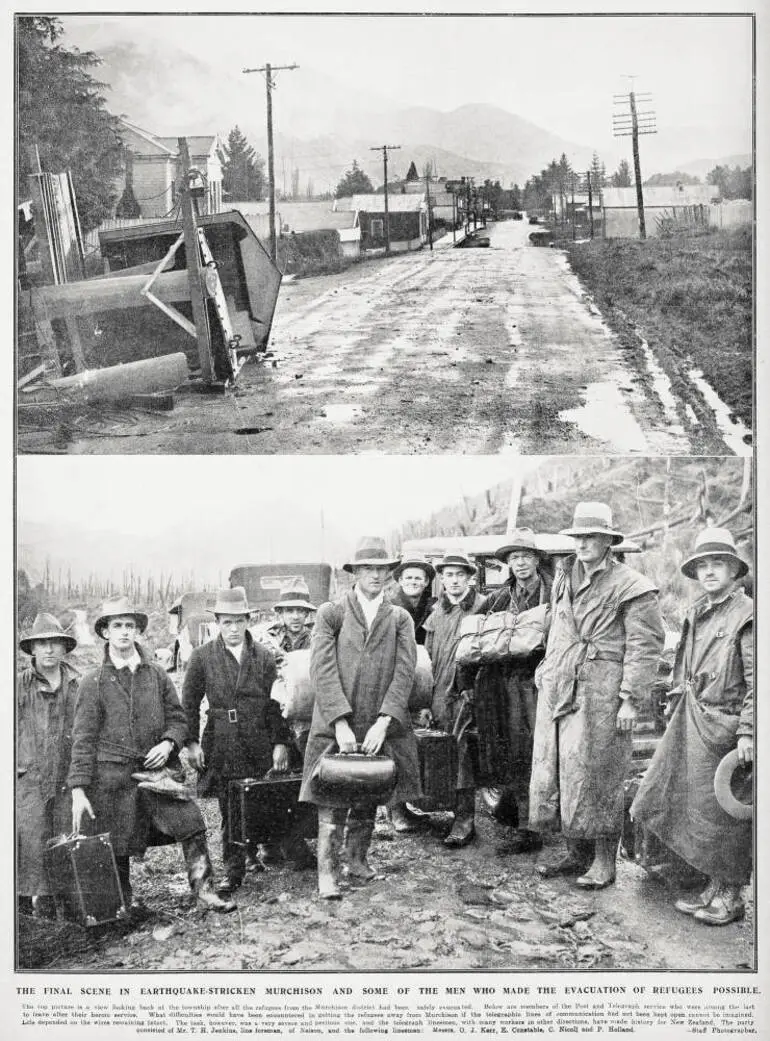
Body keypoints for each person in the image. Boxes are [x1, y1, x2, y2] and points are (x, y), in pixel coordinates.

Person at [529, 502, 664, 889]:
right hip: (559, 684)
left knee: (601, 771)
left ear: (608, 540)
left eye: (591, 536)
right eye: (578, 536)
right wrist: (545, 666)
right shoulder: (563, 576)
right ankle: (575, 853)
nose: (583, 543)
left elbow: (645, 647)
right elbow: (557, 627)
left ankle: (605, 862)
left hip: (601, 690)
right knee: (561, 769)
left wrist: (629, 699)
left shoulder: (633, 586)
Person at [68, 596, 234, 913]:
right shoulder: (93, 682)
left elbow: (178, 717)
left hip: (159, 774)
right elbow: (83, 738)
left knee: (192, 824)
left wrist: (169, 743)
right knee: (117, 842)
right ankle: (123, 905)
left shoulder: (156, 675)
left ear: (137, 632)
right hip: (115, 778)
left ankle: (205, 889)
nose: (124, 632)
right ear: (105, 632)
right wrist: (78, 788)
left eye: (129, 626)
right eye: (116, 626)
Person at [630, 527, 753, 925]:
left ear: (735, 570)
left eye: (718, 564)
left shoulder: (748, 614)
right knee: (693, 808)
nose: (710, 572)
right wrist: (672, 705)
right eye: (703, 565)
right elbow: (683, 666)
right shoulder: (697, 612)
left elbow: (759, 679)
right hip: (691, 719)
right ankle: (713, 888)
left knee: (724, 815)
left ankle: (731, 895)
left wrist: (749, 730)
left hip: (725, 727)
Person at [300, 536, 421, 899]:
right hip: (335, 719)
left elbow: (405, 671)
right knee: (330, 790)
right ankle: (328, 872)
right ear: (355, 573)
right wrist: (338, 721)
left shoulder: (400, 618)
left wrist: (385, 721)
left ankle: (357, 859)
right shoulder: (332, 613)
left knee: (371, 784)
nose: (376, 575)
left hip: (378, 721)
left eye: (383, 569)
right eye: (368, 568)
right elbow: (321, 668)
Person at [182, 587, 308, 895]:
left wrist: (280, 742)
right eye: (227, 622)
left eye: (239, 621)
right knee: (230, 807)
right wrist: (192, 742)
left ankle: (281, 849)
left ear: (247, 621)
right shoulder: (202, 657)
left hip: (259, 736)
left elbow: (275, 703)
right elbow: (188, 702)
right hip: (222, 740)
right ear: (218, 623)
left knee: (266, 796)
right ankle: (234, 869)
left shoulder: (263, 656)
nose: (234, 629)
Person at [470, 530, 553, 856]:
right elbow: (476, 640)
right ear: (508, 563)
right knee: (510, 753)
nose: (520, 562)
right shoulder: (499, 599)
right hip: (504, 688)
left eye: (525, 556)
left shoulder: (554, 595)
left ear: (536, 559)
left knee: (539, 753)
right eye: (513, 557)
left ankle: (534, 826)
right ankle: (520, 819)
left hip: (541, 684)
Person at [17, 613, 80, 918]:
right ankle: (30, 914)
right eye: (42, 643)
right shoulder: (18, 686)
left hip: (68, 778)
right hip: (29, 780)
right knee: (30, 843)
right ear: (32, 649)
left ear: (64, 647)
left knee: (66, 840)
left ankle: (66, 914)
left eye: (55, 643)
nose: (49, 650)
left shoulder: (77, 684)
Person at [423, 552, 485, 848]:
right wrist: (425, 700)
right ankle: (447, 811)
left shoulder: (483, 607)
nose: (455, 580)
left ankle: (465, 820)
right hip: (439, 696)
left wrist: (472, 688)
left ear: (470, 577)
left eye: (460, 574)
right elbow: (428, 659)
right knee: (442, 752)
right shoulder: (436, 614)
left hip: (468, 695)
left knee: (463, 754)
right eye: (448, 575)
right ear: (442, 580)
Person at [388, 554, 437, 646]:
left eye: (418, 578)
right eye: (409, 578)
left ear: (426, 582)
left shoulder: (432, 611)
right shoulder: (388, 608)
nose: (413, 582)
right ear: (400, 581)